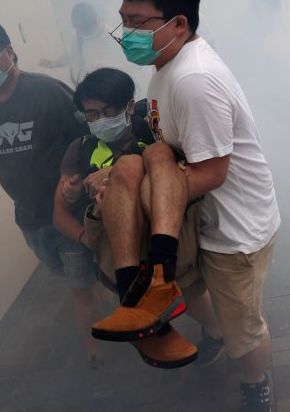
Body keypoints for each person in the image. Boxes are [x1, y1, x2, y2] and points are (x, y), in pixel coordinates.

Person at [92, 0, 280, 412]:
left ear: (178, 23)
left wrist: (134, 194)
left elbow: (214, 172)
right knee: (192, 295)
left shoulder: (193, 79)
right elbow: (175, 152)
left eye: (137, 21)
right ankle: (186, 317)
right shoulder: (165, 68)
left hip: (234, 233)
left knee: (244, 331)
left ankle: (256, 383)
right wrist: (118, 174)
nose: (126, 33)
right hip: (196, 221)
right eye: (123, 20)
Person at [0, 17, 104, 367]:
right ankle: (102, 307)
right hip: (29, 219)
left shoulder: (46, 91)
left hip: (67, 214)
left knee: (80, 289)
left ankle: (96, 356)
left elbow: (89, 136)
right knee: (75, 280)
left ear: (9, 51)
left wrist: (79, 177)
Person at [53, 67, 199, 369]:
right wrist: (86, 235)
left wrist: (117, 171)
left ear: (130, 106)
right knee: (132, 164)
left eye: (108, 111)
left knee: (147, 158)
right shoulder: (79, 150)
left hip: (166, 236)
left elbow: (188, 168)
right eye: (91, 114)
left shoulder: (153, 131)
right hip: (118, 246)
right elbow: (59, 214)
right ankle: (137, 302)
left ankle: (164, 292)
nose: (100, 120)